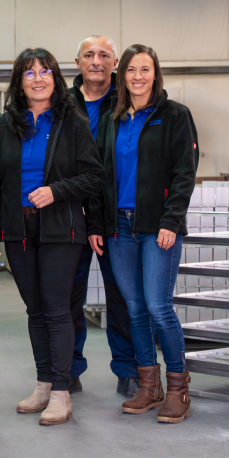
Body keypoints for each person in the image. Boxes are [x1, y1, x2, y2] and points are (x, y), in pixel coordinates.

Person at [0, 48, 103, 426]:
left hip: (60, 228)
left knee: (57, 308)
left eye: (44, 71)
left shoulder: (73, 122)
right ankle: (45, 382)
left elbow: (95, 177)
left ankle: (63, 392)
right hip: (19, 229)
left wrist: (57, 190)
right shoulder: (4, 126)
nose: (37, 78)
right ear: (18, 82)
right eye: (29, 73)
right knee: (35, 310)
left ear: (55, 78)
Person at [87, 44, 199, 424]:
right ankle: (149, 387)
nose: (137, 77)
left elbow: (185, 172)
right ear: (123, 74)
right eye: (131, 69)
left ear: (156, 74)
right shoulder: (112, 120)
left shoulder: (175, 116)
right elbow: (100, 177)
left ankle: (179, 389)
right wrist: (97, 224)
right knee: (134, 309)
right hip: (118, 227)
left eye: (145, 70)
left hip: (157, 227)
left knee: (158, 307)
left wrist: (171, 220)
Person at [67, 36, 139, 398]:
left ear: (115, 63)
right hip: (71, 214)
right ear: (77, 62)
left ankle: (128, 369)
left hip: (114, 216)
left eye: (104, 55)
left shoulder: (128, 101)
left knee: (122, 296)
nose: (96, 61)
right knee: (69, 296)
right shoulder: (63, 102)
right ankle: (70, 368)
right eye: (89, 55)